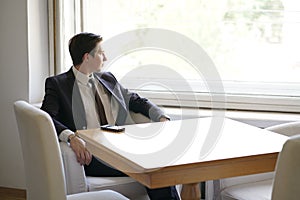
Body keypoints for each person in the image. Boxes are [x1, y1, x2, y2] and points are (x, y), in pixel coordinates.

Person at [41, 32, 180, 200]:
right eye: (101, 52)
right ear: (87, 57)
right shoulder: (58, 84)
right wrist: (71, 137)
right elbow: (46, 118)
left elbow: (135, 101)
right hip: (93, 155)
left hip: (122, 147)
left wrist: (161, 117)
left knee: (159, 165)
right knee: (154, 168)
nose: (105, 57)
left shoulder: (108, 78)